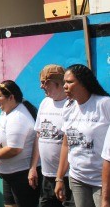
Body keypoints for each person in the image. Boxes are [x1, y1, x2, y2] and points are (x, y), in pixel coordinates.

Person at [55, 64, 110, 207]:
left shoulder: (104, 104)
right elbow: (66, 144)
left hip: (101, 181)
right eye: (64, 82)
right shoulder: (68, 108)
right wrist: (59, 178)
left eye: (70, 82)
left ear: (84, 83)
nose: (65, 86)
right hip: (77, 178)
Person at [0, 80, 40, 207]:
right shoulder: (6, 113)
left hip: (21, 174)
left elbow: (14, 149)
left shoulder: (18, 117)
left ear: (11, 97)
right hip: (10, 173)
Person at [31, 65, 73, 207]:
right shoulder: (44, 103)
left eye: (44, 82)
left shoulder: (71, 105)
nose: (41, 86)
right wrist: (33, 167)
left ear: (57, 82)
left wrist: (60, 178)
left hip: (68, 177)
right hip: (47, 175)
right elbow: (39, 135)